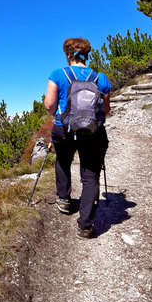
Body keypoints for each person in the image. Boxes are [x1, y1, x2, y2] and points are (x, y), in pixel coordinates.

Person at [44, 37, 111, 239]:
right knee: (90, 175)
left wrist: (58, 116)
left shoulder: (58, 74)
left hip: (63, 129)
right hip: (92, 132)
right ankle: (85, 226)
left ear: (69, 55)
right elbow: (105, 110)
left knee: (63, 161)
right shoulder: (101, 78)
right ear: (86, 55)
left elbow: (49, 105)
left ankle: (64, 200)